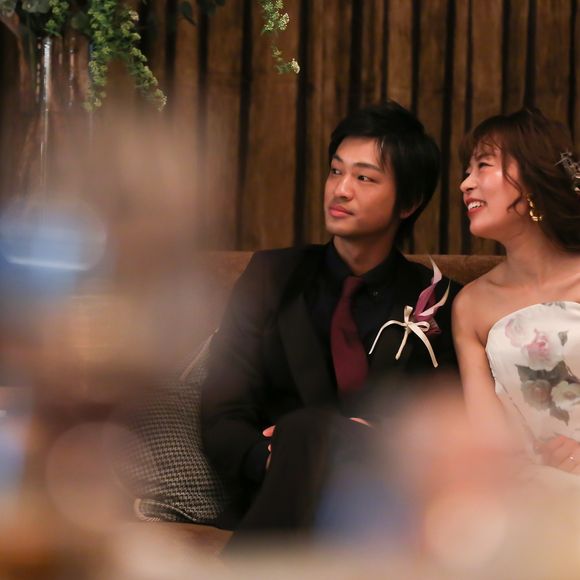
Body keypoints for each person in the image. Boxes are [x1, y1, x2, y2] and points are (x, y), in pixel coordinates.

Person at [201, 101, 460, 545]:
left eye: (364, 178)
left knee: (311, 431)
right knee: (303, 432)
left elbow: (449, 423)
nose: (340, 190)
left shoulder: (439, 300)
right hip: (279, 491)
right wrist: (272, 457)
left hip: (383, 501)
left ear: (409, 202)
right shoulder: (270, 276)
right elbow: (222, 409)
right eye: (336, 171)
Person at [453, 108, 580, 481]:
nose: (465, 184)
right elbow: (487, 442)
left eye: (483, 165)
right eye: (467, 171)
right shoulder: (471, 305)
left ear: (533, 177)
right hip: (526, 487)